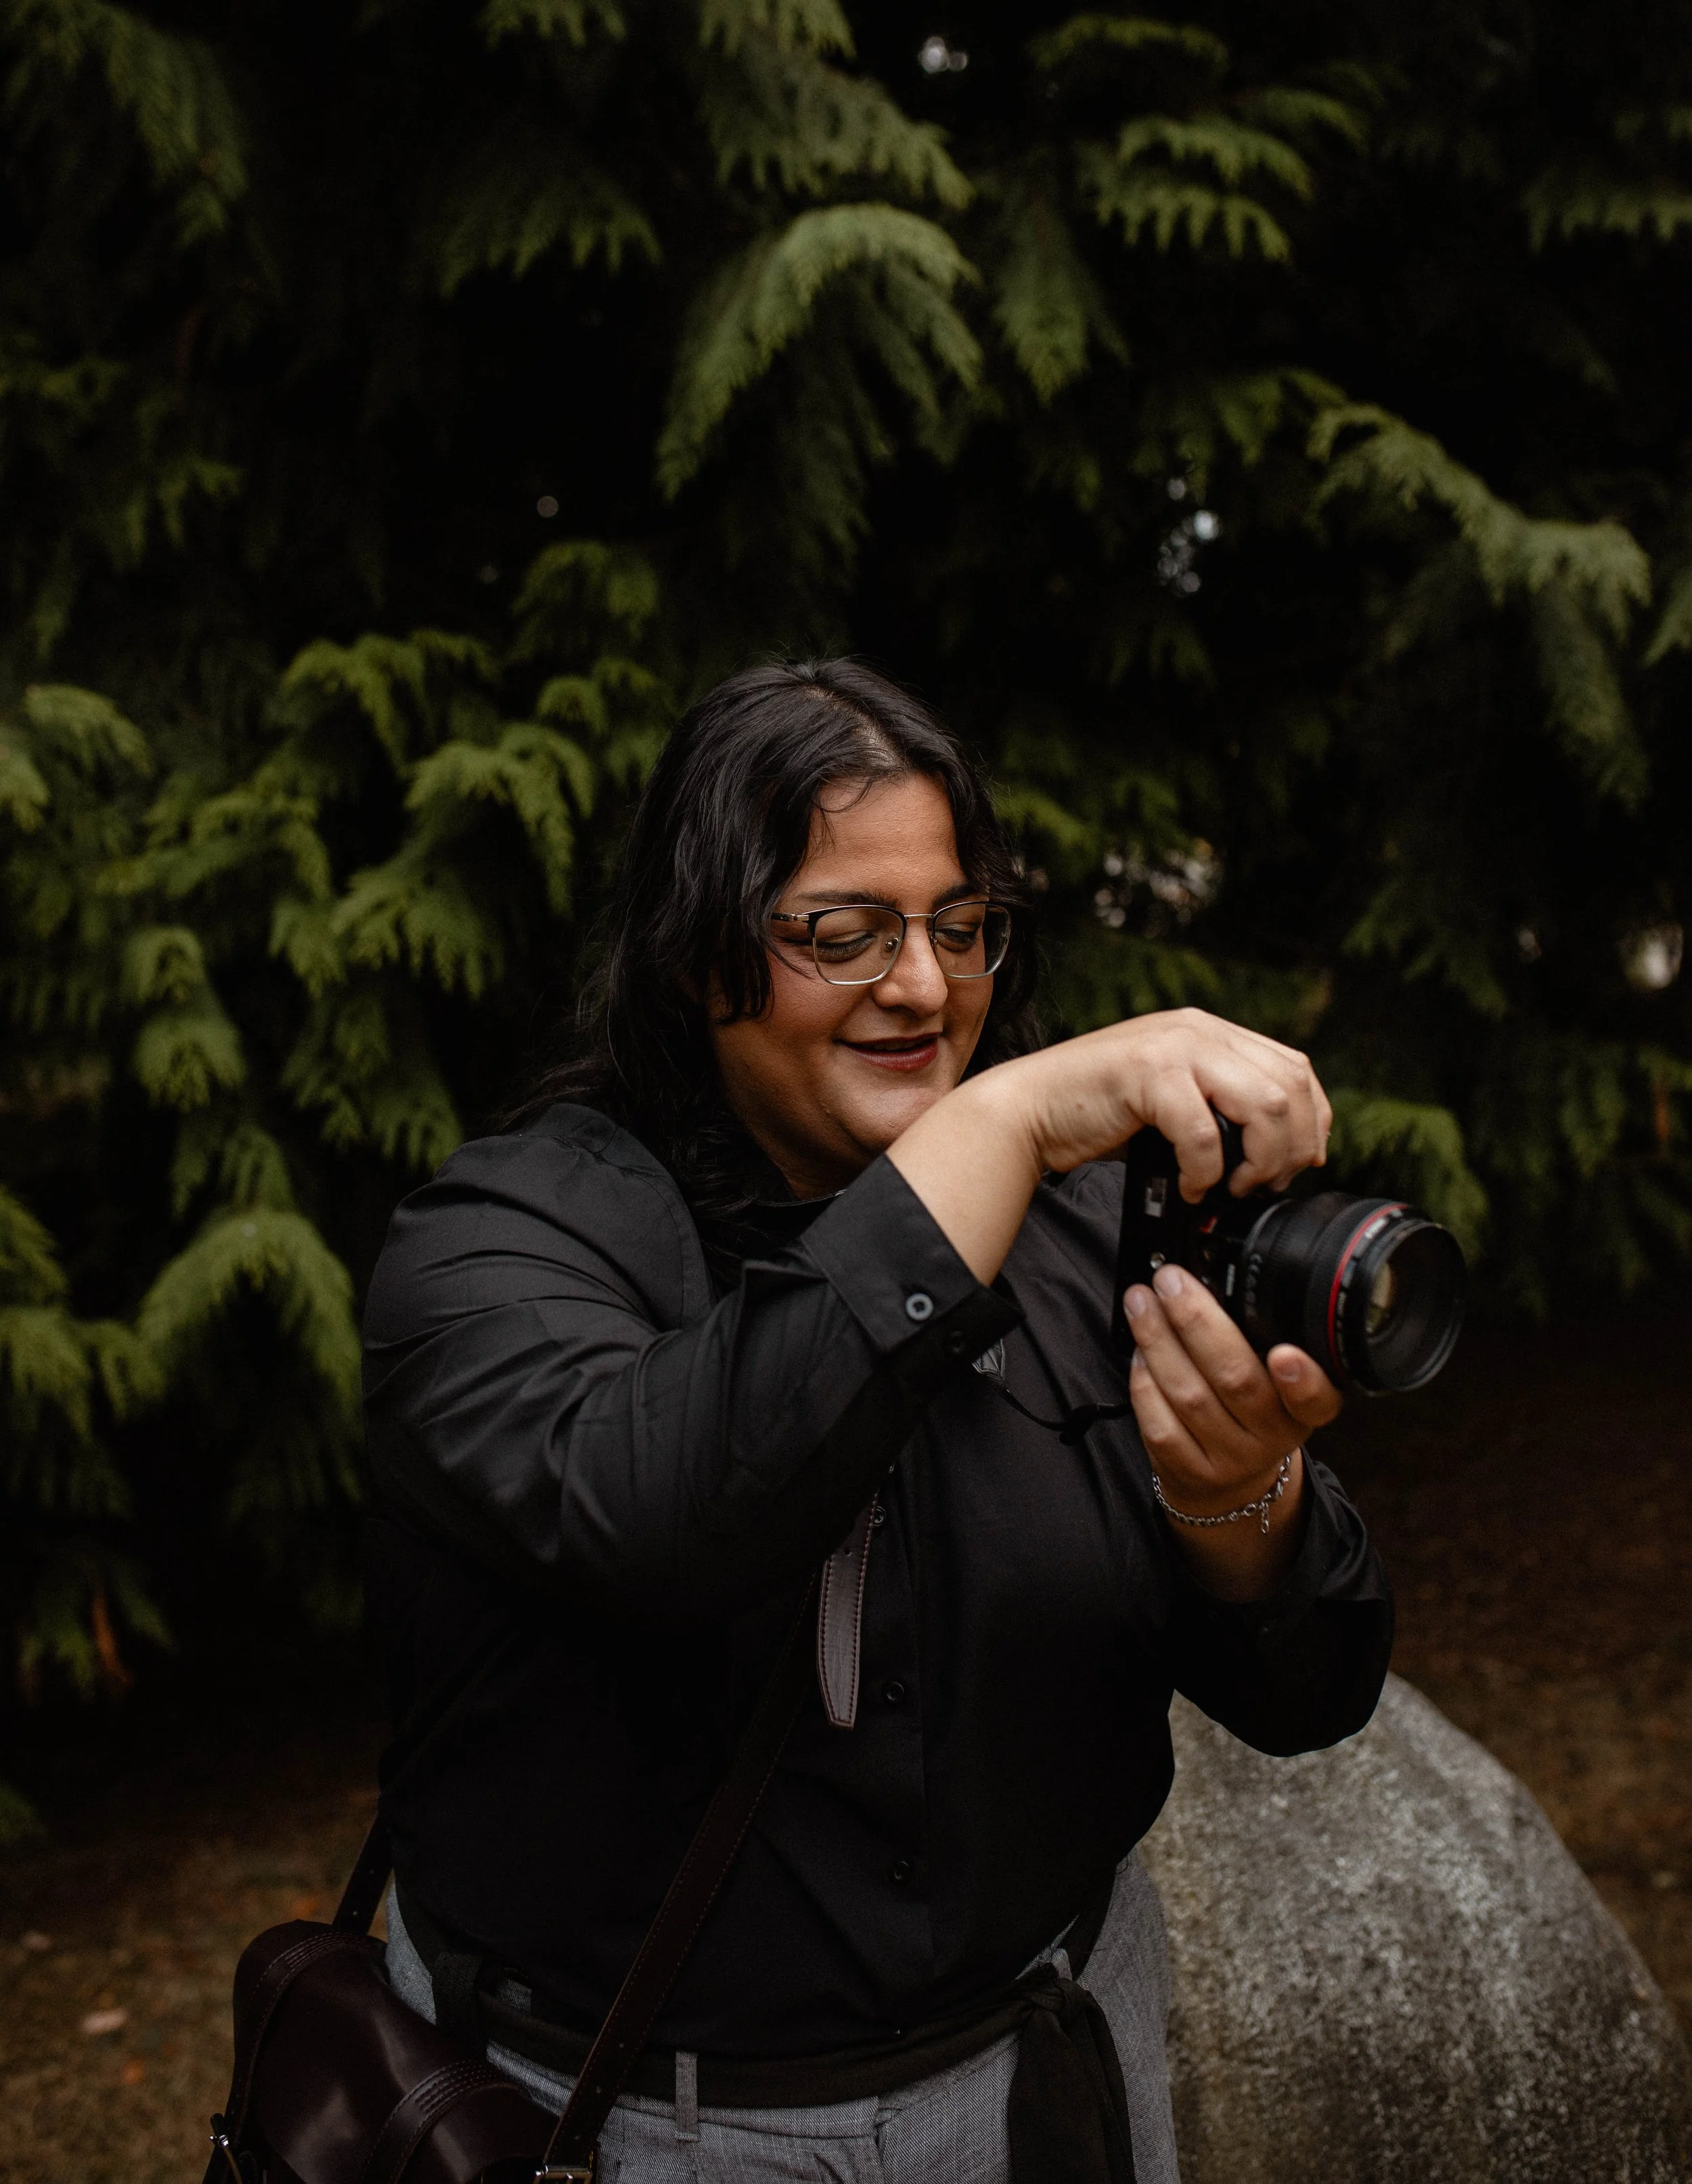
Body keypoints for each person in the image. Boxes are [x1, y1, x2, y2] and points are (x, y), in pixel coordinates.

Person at [362, 659, 1393, 2184]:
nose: (923, 986)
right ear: (692, 943)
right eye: (842, 932)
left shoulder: (1085, 1232)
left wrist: (1240, 1499)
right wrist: (1001, 1118)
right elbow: (668, 1507)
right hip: (642, 2122)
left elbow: (1312, 1687)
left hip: (1053, 2063)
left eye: (959, 926)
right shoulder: (495, 1245)